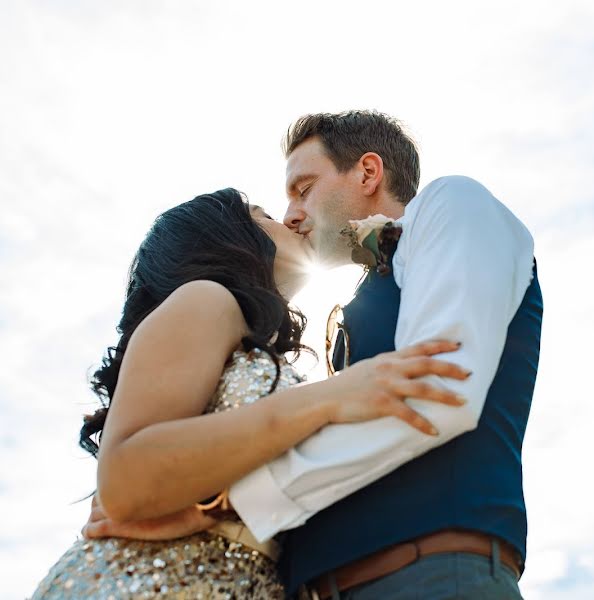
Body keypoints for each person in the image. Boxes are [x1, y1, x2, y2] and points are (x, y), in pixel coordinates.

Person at [88, 111, 544, 599]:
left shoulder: (453, 203)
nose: (290, 215)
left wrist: (223, 505)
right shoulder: (359, 303)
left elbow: (435, 388)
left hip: (427, 574)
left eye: (303, 189)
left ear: (368, 173)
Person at [31, 188, 469, 598]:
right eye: (262, 215)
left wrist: (214, 509)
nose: (289, 220)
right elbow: (124, 483)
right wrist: (330, 398)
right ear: (226, 239)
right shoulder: (205, 299)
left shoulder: (248, 343)